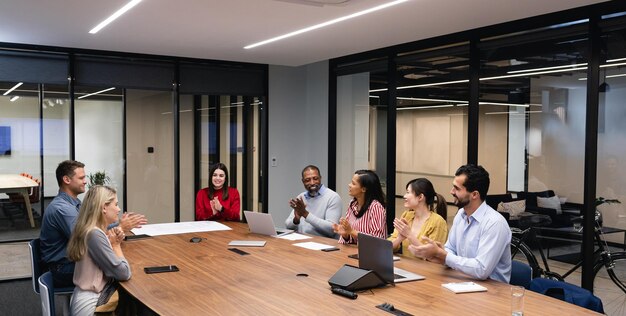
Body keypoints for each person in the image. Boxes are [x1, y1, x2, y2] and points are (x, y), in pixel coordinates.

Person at [40, 160, 146, 288]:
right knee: (121, 270)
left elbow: (92, 228)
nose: (85, 181)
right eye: (81, 178)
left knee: (121, 264)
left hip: (70, 262)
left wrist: (119, 224)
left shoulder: (73, 203)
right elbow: (86, 238)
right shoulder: (62, 209)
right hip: (62, 269)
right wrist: (121, 227)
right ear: (67, 180)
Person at [408, 164, 511, 282]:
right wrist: (439, 253)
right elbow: (451, 248)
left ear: (474, 195)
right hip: (462, 282)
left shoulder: (495, 223)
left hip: (493, 291)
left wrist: (445, 256)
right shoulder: (461, 215)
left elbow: (482, 269)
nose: (451, 191)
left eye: (457, 188)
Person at [67, 185, 131, 315]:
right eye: (116, 204)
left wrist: (111, 241)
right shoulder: (94, 234)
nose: (119, 209)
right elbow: (124, 273)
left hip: (86, 299)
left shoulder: (90, 230)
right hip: (91, 304)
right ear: (104, 208)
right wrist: (116, 246)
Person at [388, 178, 448, 258]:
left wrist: (409, 235)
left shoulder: (438, 222)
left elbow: (434, 257)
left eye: (408, 192)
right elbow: (389, 248)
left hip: (426, 269)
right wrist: (399, 238)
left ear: (420, 197)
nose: (404, 196)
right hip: (406, 267)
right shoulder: (407, 215)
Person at [285, 165, 342, 238]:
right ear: (303, 181)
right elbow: (287, 225)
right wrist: (296, 220)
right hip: (302, 240)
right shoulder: (301, 197)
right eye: (307, 180)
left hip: (323, 244)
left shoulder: (333, 197)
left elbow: (332, 229)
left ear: (320, 178)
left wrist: (305, 214)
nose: (312, 183)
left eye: (315, 178)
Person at [333, 170, 387, 244]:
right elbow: (352, 240)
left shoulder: (376, 207)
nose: (349, 185)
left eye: (353, 183)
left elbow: (377, 240)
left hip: (372, 253)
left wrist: (351, 231)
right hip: (353, 251)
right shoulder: (352, 204)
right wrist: (345, 235)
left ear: (363, 189)